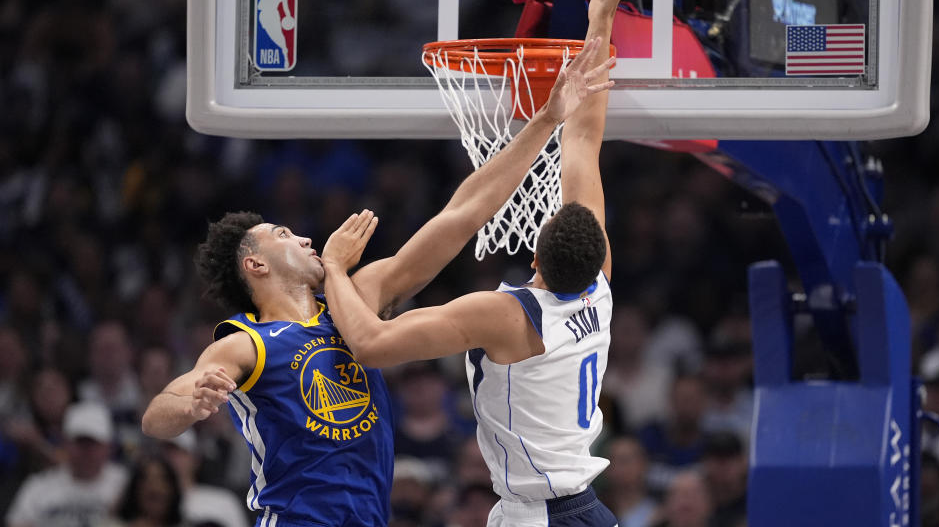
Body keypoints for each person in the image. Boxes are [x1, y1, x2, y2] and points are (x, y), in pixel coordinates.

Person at [140, 31, 616, 527]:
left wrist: (546, 120)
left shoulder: (356, 298)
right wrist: (190, 404)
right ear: (255, 265)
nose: (303, 238)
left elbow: (462, 216)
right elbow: (157, 415)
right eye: (282, 234)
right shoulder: (247, 344)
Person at [318, 0, 640, 527]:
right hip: (587, 510)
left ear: (535, 254)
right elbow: (584, 140)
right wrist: (601, 17)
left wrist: (336, 269)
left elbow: (369, 344)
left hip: (539, 516)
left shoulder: (504, 315)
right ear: (599, 257)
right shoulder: (601, 290)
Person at [6, 401, 128, 527]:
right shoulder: (38, 486)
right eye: (79, 442)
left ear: (108, 446)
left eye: (93, 443)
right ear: (65, 444)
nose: (86, 451)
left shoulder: (125, 483)